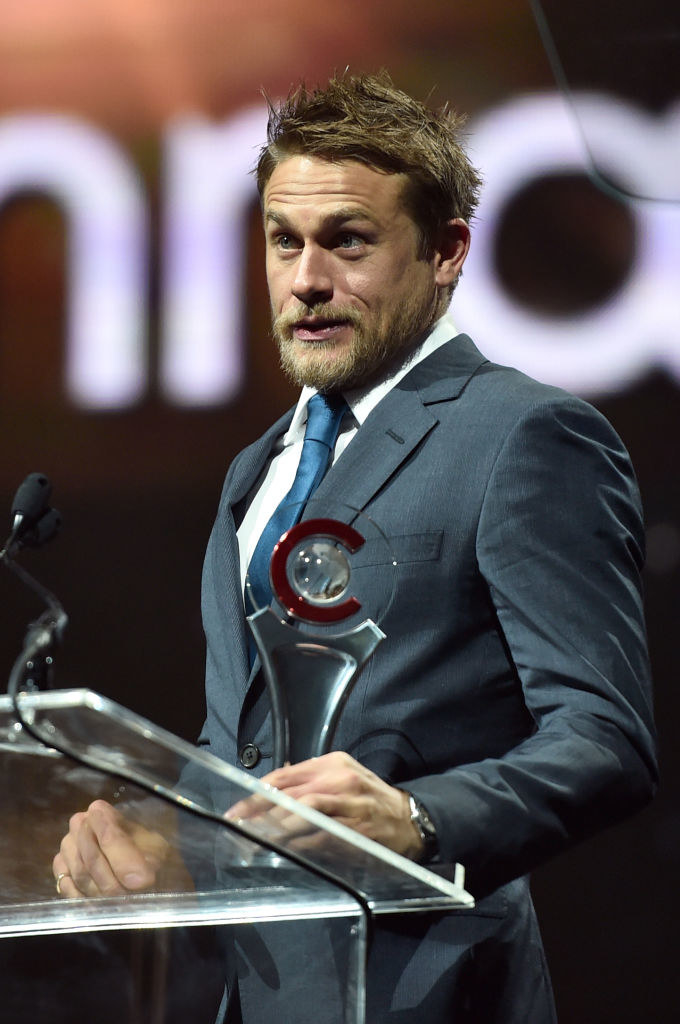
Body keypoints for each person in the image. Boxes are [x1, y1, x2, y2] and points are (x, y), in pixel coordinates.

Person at [54, 72, 657, 1022]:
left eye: (349, 241)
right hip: (254, 993)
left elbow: (606, 739)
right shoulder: (254, 473)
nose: (306, 280)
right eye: (283, 242)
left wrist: (419, 821)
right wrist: (156, 834)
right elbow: (241, 755)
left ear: (447, 250)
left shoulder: (525, 436)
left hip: (431, 988)